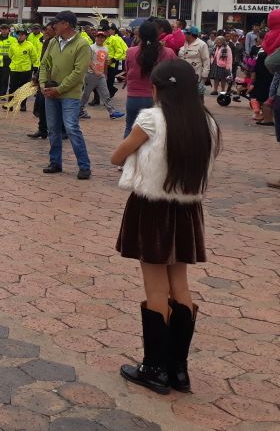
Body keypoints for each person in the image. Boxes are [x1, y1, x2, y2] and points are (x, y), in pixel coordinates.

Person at [111, 59, 220, 395]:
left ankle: (154, 368)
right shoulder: (207, 123)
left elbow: (118, 156)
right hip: (187, 210)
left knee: (156, 288)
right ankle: (179, 371)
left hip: (152, 209)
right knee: (180, 285)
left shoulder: (151, 119)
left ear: (157, 88)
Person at [39, 11, 93, 179]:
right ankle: (55, 162)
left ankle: (84, 166)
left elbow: (78, 72)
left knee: (71, 128)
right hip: (50, 92)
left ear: (66, 24)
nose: (53, 26)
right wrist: (42, 84)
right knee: (53, 129)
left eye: (57, 23)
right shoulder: (53, 42)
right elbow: (43, 64)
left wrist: (60, 89)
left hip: (70, 94)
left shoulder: (82, 45)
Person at [124, 21, 177, 138]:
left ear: (139, 35)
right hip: (159, 98)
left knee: (130, 128)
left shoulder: (130, 52)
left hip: (134, 98)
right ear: (157, 34)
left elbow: (128, 72)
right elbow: (174, 75)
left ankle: (127, 155)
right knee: (158, 133)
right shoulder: (168, 53)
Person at [80, 30, 125, 120]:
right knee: (86, 94)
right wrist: (95, 71)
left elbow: (105, 62)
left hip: (100, 76)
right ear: (95, 38)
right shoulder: (91, 48)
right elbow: (88, 61)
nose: (100, 39)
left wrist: (105, 73)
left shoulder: (106, 49)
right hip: (90, 75)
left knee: (106, 94)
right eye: (98, 37)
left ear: (105, 39)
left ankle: (112, 112)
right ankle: (80, 111)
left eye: (102, 37)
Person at [29, 22, 56, 139]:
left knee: (55, 107)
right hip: (44, 77)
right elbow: (43, 62)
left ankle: (61, 130)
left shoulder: (57, 43)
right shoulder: (47, 42)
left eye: (48, 30)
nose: (45, 32)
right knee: (40, 104)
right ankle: (42, 129)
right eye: (45, 30)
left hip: (55, 79)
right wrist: (38, 75)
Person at [7, 28, 38, 112]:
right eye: (19, 34)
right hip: (14, 69)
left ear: (26, 36)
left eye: (22, 35)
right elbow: (10, 55)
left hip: (25, 70)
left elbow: (34, 58)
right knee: (12, 87)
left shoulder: (29, 45)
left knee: (24, 89)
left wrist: (33, 66)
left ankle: (23, 105)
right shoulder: (13, 45)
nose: (20, 36)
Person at [178, 26, 210, 96]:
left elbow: (206, 60)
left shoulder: (202, 44)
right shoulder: (185, 43)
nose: (184, 35)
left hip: (196, 75)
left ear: (190, 34)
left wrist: (204, 76)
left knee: (197, 97)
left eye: (185, 33)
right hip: (184, 74)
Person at [0, 24, 13, 98]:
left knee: (5, 78)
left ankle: (3, 93)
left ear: (8, 30)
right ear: (0, 30)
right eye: (2, 29)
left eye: (5, 29)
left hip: (7, 60)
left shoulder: (12, 39)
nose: (4, 31)